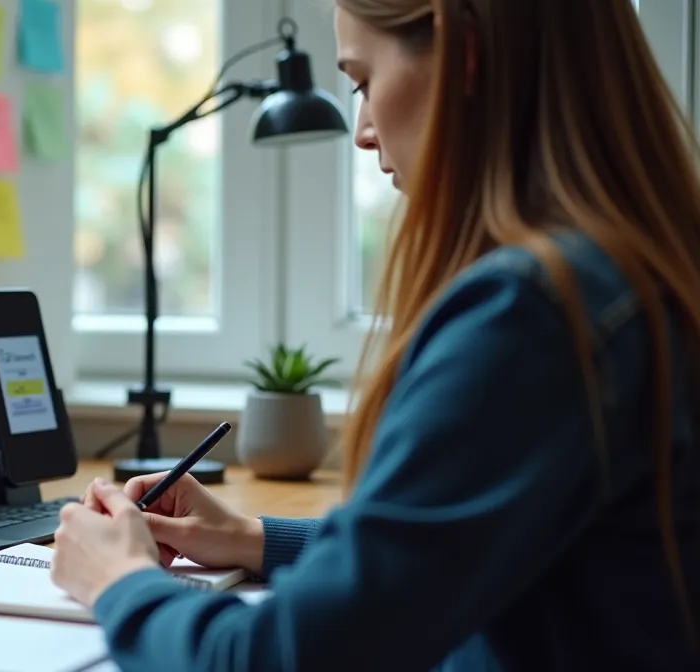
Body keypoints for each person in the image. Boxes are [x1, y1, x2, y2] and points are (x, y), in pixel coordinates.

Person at [47, 1, 700, 669]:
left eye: (361, 81)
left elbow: (274, 660)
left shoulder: (531, 317)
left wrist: (120, 580)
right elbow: (460, 546)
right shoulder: (631, 277)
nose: (361, 130)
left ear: (462, 54)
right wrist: (253, 537)